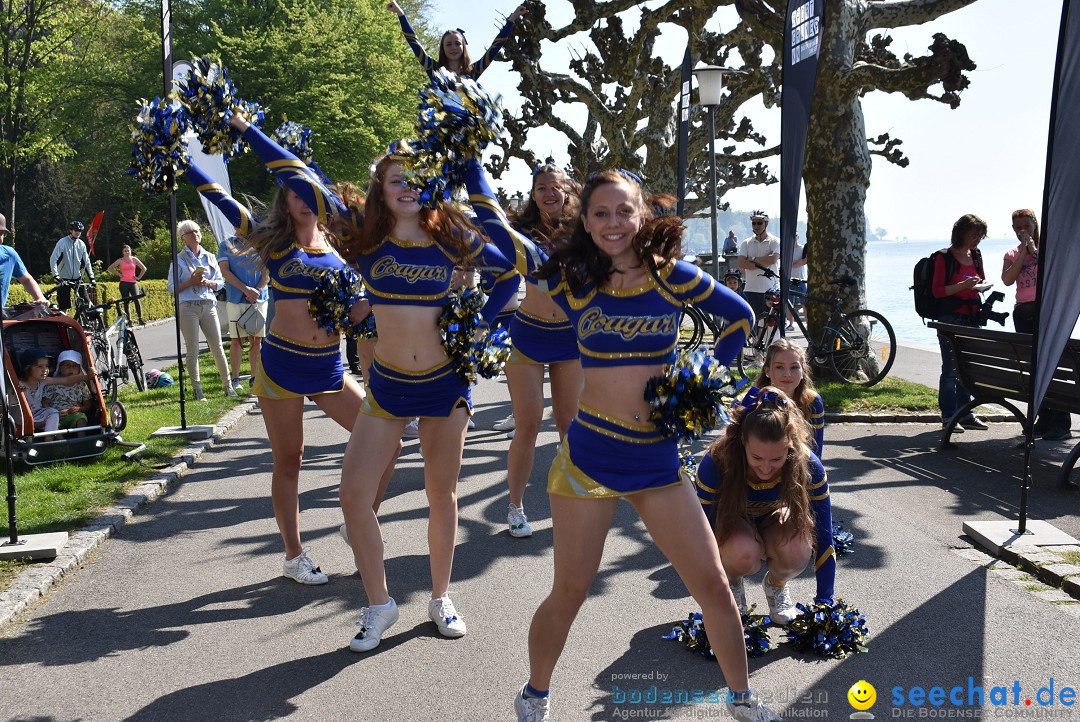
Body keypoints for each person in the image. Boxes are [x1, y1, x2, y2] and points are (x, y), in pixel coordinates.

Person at [466, 166, 772, 722]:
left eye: (624, 210)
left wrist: (701, 382)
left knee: (712, 585)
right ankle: (535, 693)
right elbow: (500, 238)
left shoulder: (672, 277)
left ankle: (743, 700)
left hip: (654, 460)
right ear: (584, 220)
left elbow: (740, 319)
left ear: (642, 215)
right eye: (601, 212)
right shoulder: (573, 280)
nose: (613, 223)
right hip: (590, 460)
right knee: (569, 593)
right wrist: (468, 161)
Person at [185, 124, 390, 586]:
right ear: (285, 199)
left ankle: (357, 521)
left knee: (387, 440)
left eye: (308, 191)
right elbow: (220, 198)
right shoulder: (273, 241)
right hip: (281, 365)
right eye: (293, 192)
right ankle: (294, 555)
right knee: (290, 459)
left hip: (329, 367)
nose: (301, 199)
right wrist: (184, 163)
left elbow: (360, 308)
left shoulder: (339, 245)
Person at [695, 387, 835, 626]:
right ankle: (731, 583)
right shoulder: (717, 461)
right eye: (757, 458)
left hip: (773, 520)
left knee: (798, 550)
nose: (767, 468)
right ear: (742, 442)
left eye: (777, 459)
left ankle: (776, 586)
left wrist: (825, 604)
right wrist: (711, 598)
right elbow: (700, 536)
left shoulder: (808, 464)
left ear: (790, 446)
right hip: (733, 523)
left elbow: (824, 536)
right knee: (743, 553)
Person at [495, 162, 582, 537]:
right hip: (528, 334)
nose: (548, 193)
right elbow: (503, 279)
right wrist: (483, 320)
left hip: (569, 337)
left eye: (555, 187)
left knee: (569, 426)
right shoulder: (522, 232)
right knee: (527, 424)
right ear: (533, 194)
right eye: (541, 187)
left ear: (568, 191)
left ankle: (576, 503)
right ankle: (515, 506)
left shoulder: (584, 231)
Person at [1002, 208, 1070, 440]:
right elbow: (1008, 280)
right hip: (1023, 313)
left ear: (1035, 225)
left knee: (1053, 366)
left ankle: (1060, 422)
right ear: (1013, 229)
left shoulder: (1048, 248)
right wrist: (1023, 253)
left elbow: (1056, 271)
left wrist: (1033, 249)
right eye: (1018, 227)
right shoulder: (1011, 253)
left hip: (1047, 311)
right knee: (1034, 368)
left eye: (1027, 226)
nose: (1023, 231)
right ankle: (1045, 417)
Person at [167, 221, 236, 401]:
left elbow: (220, 282)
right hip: (188, 306)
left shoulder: (210, 257)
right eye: (190, 232)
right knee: (193, 349)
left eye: (197, 231)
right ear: (183, 238)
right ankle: (198, 390)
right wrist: (190, 282)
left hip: (208, 304)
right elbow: (172, 287)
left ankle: (228, 386)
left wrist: (208, 283)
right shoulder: (179, 259)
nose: (195, 234)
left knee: (218, 347)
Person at [932, 214, 989, 433]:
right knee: (950, 369)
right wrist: (964, 286)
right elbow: (938, 291)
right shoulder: (943, 257)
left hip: (972, 317)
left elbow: (981, 279)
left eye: (980, 236)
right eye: (973, 235)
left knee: (968, 369)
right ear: (961, 233)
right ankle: (949, 415)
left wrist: (979, 285)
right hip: (950, 318)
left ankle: (966, 413)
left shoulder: (975, 255)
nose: (976, 240)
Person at [388, 1, 527, 79]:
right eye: (448, 44)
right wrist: (401, 14)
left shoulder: (474, 71)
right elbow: (414, 42)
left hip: (468, 129)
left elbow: (495, 47)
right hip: (438, 129)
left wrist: (512, 19)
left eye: (457, 43)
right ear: (443, 48)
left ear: (463, 47)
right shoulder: (433, 68)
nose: (453, 47)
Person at [753, 339, 824, 457]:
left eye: (794, 367)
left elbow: (816, 454)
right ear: (767, 371)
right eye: (779, 367)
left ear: (803, 371)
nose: (787, 374)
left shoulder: (812, 400)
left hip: (799, 469)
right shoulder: (752, 400)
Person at [218, 235, 269, 392]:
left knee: (256, 340)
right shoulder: (226, 244)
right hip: (236, 298)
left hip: (259, 299)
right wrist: (245, 289)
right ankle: (235, 379)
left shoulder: (262, 242)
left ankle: (255, 377)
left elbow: (267, 273)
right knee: (237, 340)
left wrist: (257, 290)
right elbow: (225, 271)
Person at [18, 349, 89, 433]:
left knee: (56, 415)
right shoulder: (21, 384)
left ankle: (67, 442)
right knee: (53, 414)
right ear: (28, 368)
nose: (45, 369)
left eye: (46, 366)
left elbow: (67, 380)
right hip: (28, 418)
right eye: (40, 366)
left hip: (44, 416)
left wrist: (88, 377)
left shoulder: (44, 381)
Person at [737, 210, 780, 319]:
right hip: (751, 289)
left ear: (766, 224)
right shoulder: (746, 243)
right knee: (753, 326)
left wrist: (752, 259)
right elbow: (741, 262)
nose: (756, 226)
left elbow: (773, 260)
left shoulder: (775, 241)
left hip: (770, 289)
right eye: (754, 223)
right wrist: (764, 261)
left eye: (760, 223)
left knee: (770, 326)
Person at [0, 213, 48, 307]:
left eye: (1, 234)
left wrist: (40, 298)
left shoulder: (9, 254)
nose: (0, 238)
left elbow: (26, 280)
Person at [49, 220, 95, 312]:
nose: (78, 232)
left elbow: (87, 261)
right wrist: (56, 275)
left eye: (80, 231)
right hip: (63, 278)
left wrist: (92, 277)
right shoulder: (62, 242)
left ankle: (86, 322)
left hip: (77, 277)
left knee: (86, 301)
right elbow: (53, 259)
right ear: (71, 230)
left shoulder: (81, 244)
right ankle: (64, 323)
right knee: (64, 305)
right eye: (76, 230)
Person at [46, 350, 93, 432]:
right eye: (67, 366)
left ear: (79, 369)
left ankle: (82, 440)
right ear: (59, 368)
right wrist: (53, 413)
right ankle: (59, 442)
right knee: (51, 424)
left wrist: (78, 409)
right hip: (56, 416)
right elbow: (45, 403)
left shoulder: (82, 385)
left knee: (81, 418)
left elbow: (88, 405)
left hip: (74, 414)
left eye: (75, 366)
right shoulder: (53, 384)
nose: (71, 369)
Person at [105, 245, 147, 324]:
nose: (127, 252)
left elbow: (144, 268)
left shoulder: (134, 259)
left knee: (136, 300)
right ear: (123, 252)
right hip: (124, 283)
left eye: (128, 250)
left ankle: (140, 319)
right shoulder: (120, 260)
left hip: (133, 282)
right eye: (125, 251)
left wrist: (138, 277)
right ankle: (129, 320)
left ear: (130, 251)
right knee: (126, 302)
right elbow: (110, 268)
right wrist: (119, 274)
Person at [788, 233, 807, 331]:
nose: (793, 238)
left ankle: (808, 324)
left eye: (795, 236)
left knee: (805, 303)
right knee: (789, 304)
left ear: (798, 237)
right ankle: (790, 324)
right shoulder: (787, 249)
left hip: (801, 279)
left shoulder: (802, 248)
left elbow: (805, 260)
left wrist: (800, 262)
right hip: (790, 280)